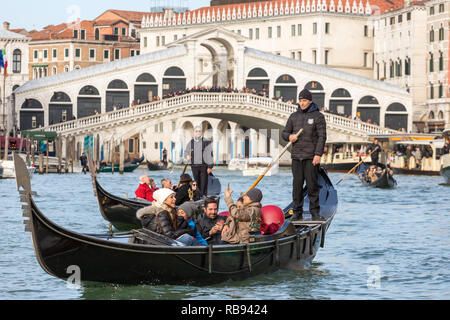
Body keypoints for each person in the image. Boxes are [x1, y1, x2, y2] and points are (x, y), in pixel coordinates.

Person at [282, 89, 327, 221]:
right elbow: (284, 133)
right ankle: (297, 212)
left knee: (312, 185)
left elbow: (322, 137)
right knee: (297, 186)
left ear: (310, 101)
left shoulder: (318, 116)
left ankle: (314, 212)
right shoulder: (293, 116)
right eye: (300, 100)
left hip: (310, 156)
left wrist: (318, 154)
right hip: (296, 156)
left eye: (304, 101)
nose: (302, 103)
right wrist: (289, 136)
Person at [184, 126, 214, 197]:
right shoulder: (191, 142)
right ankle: (198, 197)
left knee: (203, 183)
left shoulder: (206, 142)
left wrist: (210, 166)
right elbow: (186, 152)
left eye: (199, 131)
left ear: (201, 132)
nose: (198, 133)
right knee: (196, 183)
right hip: (194, 166)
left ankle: (203, 196)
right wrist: (187, 156)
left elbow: (210, 154)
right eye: (196, 131)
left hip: (204, 166)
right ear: (194, 132)